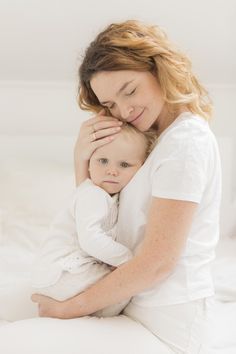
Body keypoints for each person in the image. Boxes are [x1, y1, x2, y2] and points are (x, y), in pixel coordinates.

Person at [0, 20, 221, 354]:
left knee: (12, 343)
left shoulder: (185, 143)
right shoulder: (147, 141)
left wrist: (68, 310)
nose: (124, 110)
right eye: (112, 104)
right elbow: (95, 217)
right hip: (125, 302)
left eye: (129, 90)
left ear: (159, 69)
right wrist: (82, 159)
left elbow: (158, 262)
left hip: (165, 323)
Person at [31, 123, 156, 317]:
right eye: (103, 161)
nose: (111, 171)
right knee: (126, 285)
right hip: (63, 274)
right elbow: (90, 239)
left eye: (124, 164)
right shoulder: (92, 195)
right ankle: (99, 319)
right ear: (89, 163)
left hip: (59, 276)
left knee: (120, 286)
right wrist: (127, 260)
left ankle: (93, 315)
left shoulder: (109, 197)